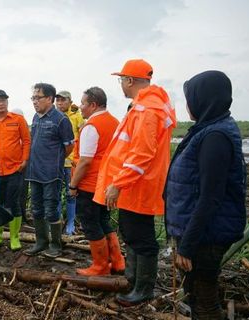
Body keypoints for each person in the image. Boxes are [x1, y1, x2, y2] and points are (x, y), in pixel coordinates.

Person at [93, 59, 176, 306]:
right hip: (135, 184)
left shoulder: (147, 110)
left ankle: (143, 289)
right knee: (132, 233)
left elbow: (141, 153)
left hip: (138, 185)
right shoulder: (145, 105)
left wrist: (118, 183)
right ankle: (133, 279)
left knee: (142, 238)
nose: (121, 84)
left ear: (129, 80)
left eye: (121, 79)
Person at [165, 71, 246, 319]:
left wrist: (187, 245)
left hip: (207, 235)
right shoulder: (207, 129)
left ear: (205, 99)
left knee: (205, 300)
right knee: (196, 290)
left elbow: (211, 196)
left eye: (190, 98)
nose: (188, 105)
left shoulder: (215, 137)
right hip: (202, 232)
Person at [68, 87, 123, 276]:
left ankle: (100, 266)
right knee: (103, 220)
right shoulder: (115, 122)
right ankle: (117, 261)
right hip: (108, 183)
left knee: (91, 223)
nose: (80, 107)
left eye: (83, 103)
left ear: (93, 105)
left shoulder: (91, 126)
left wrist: (73, 185)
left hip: (90, 184)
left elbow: (85, 161)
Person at [24, 83, 75, 258]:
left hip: (51, 173)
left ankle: (56, 244)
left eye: (38, 98)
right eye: (33, 98)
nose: (34, 101)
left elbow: (69, 147)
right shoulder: (36, 118)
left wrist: (55, 160)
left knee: (51, 208)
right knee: (36, 208)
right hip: (34, 171)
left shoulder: (61, 120)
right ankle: (41, 241)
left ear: (49, 99)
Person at [0, 89, 30, 251]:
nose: (1, 103)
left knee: (14, 203)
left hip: (14, 169)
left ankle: (14, 237)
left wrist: (24, 160)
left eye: (4, 100)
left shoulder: (18, 120)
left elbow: (26, 140)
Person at [56, 90, 84, 235]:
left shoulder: (77, 117)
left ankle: (71, 222)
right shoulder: (53, 116)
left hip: (71, 163)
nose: (60, 103)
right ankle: (58, 220)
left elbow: (82, 137)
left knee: (70, 193)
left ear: (70, 102)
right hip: (56, 162)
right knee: (55, 193)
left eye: (63, 100)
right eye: (58, 100)